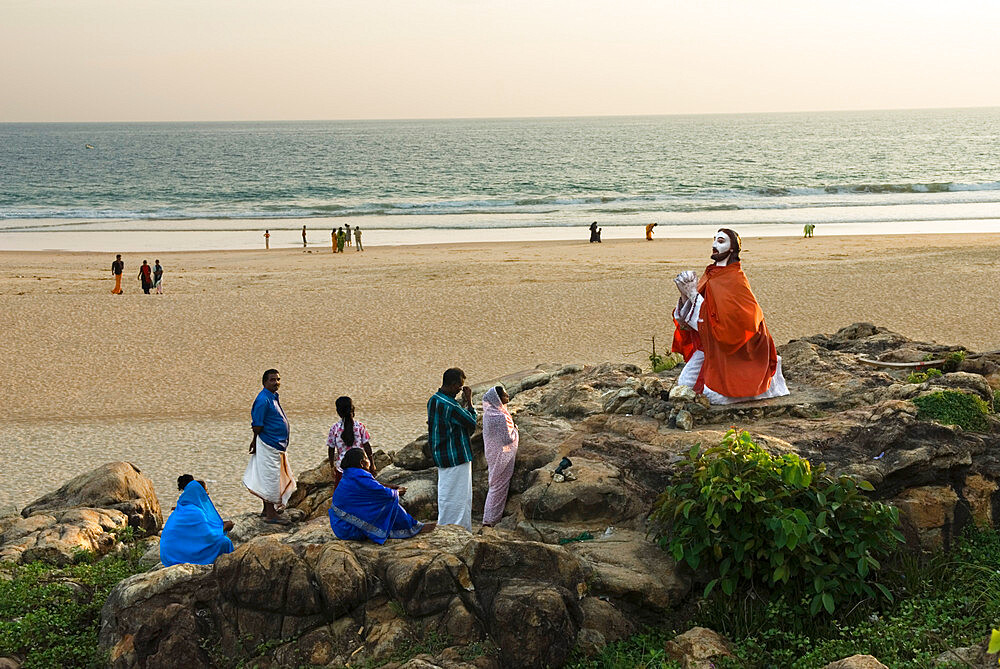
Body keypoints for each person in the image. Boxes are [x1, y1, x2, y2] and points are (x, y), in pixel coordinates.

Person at [671, 229, 789, 405]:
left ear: (732, 248)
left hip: (738, 349)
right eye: (714, 240)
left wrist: (693, 295)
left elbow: (735, 326)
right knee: (685, 384)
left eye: (720, 241)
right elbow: (693, 323)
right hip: (712, 346)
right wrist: (685, 295)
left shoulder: (735, 279)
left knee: (713, 396)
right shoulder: (711, 275)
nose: (713, 245)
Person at [329, 448, 434, 543]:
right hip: (349, 529)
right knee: (389, 500)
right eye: (367, 459)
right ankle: (413, 527)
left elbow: (373, 485)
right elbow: (383, 492)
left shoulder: (350, 474)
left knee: (378, 502)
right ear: (362, 463)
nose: (369, 462)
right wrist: (397, 492)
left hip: (339, 527)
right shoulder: (360, 476)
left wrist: (391, 486)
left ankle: (410, 525)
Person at [243, 369, 297, 524]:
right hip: (268, 443)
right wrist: (254, 440)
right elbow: (257, 425)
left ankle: (266, 509)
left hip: (276, 444)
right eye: (272, 380)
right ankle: (271, 514)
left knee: (270, 476)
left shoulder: (272, 397)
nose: (276, 382)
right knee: (270, 477)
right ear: (265, 382)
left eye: (278, 379)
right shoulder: (263, 400)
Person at [427, 368, 477, 531]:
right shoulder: (450, 405)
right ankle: (458, 529)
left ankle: (445, 526)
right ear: (453, 384)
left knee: (446, 494)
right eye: (459, 386)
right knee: (460, 497)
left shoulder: (434, 400)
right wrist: (469, 402)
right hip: (456, 456)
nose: (459, 390)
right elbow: (471, 422)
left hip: (441, 455)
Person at [160, 475, 234, 566]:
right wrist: (225, 527)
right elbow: (209, 536)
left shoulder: (183, 507)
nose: (208, 494)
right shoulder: (195, 511)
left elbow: (200, 529)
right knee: (225, 542)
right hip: (177, 555)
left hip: (170, 552)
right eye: (205, 491)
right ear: (198, 492)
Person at [482, 386, 518, 527]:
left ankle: (488, 519)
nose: (507, 396)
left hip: (492, 453)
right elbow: (507, 438)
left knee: (494, 485)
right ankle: (490, 520)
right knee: (499, 487)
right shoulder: (500, 416)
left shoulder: (489, 413)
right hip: (501, 455)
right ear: (497, 398)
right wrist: (515, 430)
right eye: (504, 394)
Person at [327, 396, 376, 490]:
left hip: (342, 469)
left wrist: (332, 465)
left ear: (338, 412)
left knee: (342, 495)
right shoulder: (360, 426)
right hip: (361, 467)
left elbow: (331, 448)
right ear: (352, 409)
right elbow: (367, 446)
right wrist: (372, 464)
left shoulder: (335, 428)